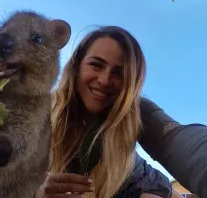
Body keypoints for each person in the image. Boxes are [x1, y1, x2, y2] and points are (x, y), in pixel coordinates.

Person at [38, 26, 207, 198]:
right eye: (96, 65)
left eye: (119, 73)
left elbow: (178, 140)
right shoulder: (42, 111)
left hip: (144, 184)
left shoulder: (136, 111)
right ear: (77, 66)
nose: (104, 81)